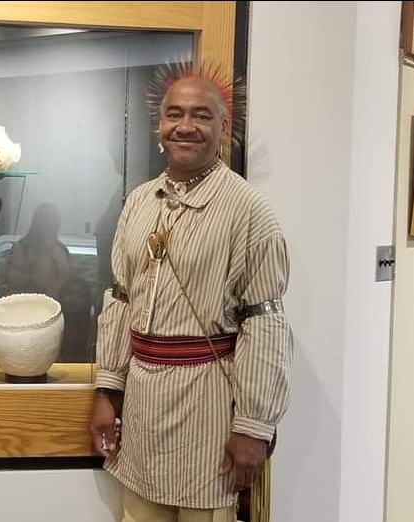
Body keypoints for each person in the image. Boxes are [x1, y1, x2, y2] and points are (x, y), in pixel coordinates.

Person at [89, 60, 294, 522]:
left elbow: (265, 323)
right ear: (159, 127)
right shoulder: (139, 202)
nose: (185, 126)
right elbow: (121, 300)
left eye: (202, 115)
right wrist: (108, 391)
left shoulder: (249, 211)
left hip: (209, 409)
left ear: (223, 129)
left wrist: (253, 427)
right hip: (142, 408)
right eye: (174, 114)